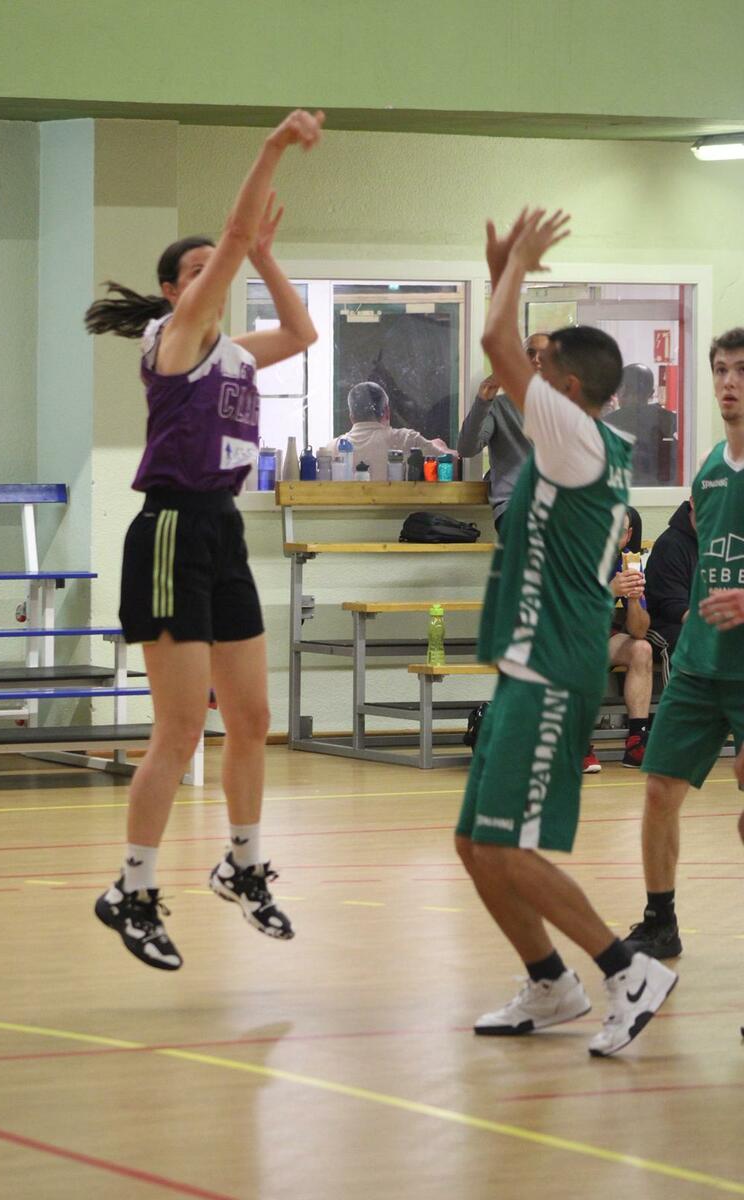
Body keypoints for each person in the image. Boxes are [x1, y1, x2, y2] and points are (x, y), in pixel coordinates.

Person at [84, 108, 325, 969]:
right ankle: (132, 888)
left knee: (251, 719)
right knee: (180, 728)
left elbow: (304, 334)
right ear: (172, 291)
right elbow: (229, 237)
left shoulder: (235, 353)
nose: (211, 273)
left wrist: (268, 257)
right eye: (196, 270)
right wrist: (272, 149)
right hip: (170, 531)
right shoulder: (175, 340)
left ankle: (243, 865)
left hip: (222, 528)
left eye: (213, 268)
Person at [455, 206, 676, 1058]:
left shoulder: (576, 437)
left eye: (542, 365)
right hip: (528, 659)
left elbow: (496, 344)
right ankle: (550, 983)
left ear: (569, 390)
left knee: (508, 849)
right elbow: (502, 348)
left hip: (555, 665)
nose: (524, 371)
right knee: (476, 843)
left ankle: (627, 970)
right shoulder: (574, 439)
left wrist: (511, 270)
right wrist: (500, 272)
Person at [623, 327, 744, 961]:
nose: (729, 383)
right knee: (658, 790)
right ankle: (659, 920)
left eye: (742, 370)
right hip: (700, 663)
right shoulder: (710, 470)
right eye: (721, 370)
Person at [583, 506, 653, 773]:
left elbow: (639, 630)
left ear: (628, 535)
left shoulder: (628, 561)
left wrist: (634, 600)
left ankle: (637, 741)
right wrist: (609, 591)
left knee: (641, 649)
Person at [456, 333, 548, 535]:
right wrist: (483, 401)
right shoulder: (498, 407)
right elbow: (466, 449)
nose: (536, 360)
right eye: (530, 353)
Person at [324, 381, 456, 480]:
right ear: (387, 411)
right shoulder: (407, 440)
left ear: (351, 417)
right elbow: (455, 466)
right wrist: (441, 447)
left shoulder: (332, 449)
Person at [644, 496, 698, 665]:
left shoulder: (727, 540)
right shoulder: (670, 544)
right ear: (693, 502)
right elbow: (673, 607)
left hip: (708, 620)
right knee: (691, 640)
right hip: (663, 624)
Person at [603, 363, 677, 485]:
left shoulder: (607, 426)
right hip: (665, 494)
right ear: (652, 393)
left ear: (622, 390)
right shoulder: (670, 422)